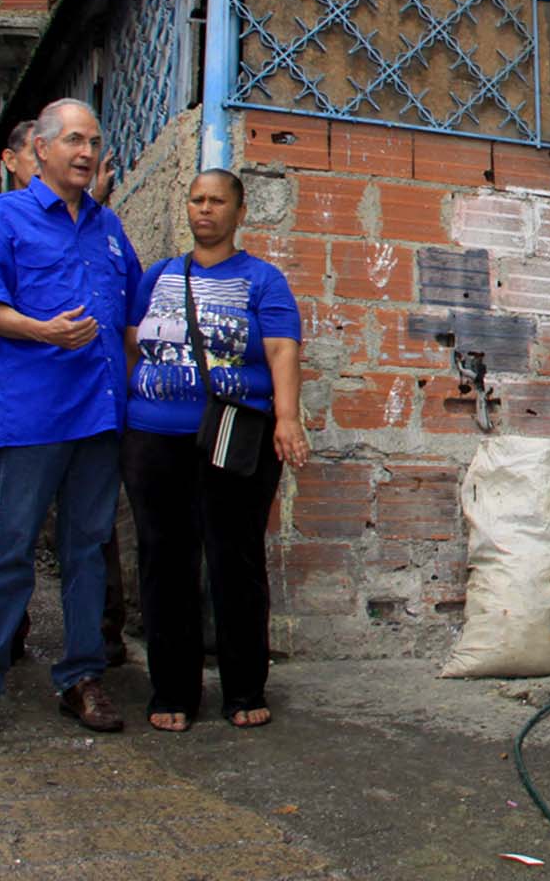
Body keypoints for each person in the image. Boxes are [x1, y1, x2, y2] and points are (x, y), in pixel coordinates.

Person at [0, 99, 141, 743]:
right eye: (74, 141)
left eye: (93, 142)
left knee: (86, 550)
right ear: (42, 150)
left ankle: (82, 676)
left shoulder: (109, 226)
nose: (86, 153)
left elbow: (133, 316)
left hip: (98, 414)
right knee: (10, 549)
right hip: (32, 413)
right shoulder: (4, 216)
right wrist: (41, 331)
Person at [122, 169, 310, 732]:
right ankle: (173, 690)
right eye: (196, 200)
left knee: (236, 560)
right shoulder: (157, 276)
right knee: (165, 561)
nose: (204, 210)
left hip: (234, 437)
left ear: (239, 211)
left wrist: (287, 418)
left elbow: (282, 351)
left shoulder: (262, 279)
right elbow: (135, 344)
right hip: (155, 438)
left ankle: (244, 687)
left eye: (217, 201)